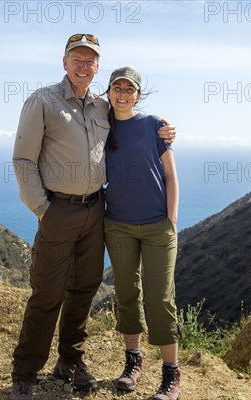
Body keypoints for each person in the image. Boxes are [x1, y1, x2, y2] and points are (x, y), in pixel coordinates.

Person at [10, 35, 176, 400]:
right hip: (58, 210)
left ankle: (70, 361)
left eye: (90, 61)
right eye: (77, 59)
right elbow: (23, 160)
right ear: (64, 61)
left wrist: (163, 131)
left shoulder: (102, 107)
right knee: (47, 294)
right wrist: (43, 209)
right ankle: (25, 371)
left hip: (95, 212)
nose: (83, 66)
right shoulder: (42, 101)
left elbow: (132, 125)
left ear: (97, 67)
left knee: (83, 290)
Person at [103, 67, 181, 400]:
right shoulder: (100, 125)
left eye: (129, 89)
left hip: (157, 227)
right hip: (117, 224)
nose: (122, 94)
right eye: (116, 88)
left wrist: (171, 219)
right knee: (125, 292)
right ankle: (133, 361)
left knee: (160, 298)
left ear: (138, 94)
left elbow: (170, 176)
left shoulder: (154, 126)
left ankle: (171, 374)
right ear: (108, 92)